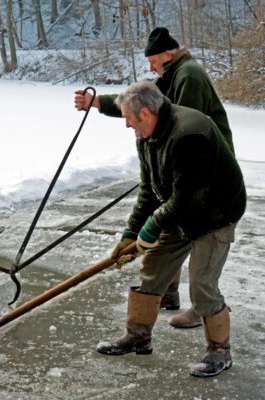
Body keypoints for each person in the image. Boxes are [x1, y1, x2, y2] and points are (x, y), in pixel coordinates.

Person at [75, 26, 235, 329]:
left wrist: (148, 226)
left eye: (152, 60)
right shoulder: (168, 77)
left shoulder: (188, 76)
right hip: (182, 167)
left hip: (207, 174)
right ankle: (164, 297)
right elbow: (140, 102)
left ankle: (206, 312)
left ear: (167, 53)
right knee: (164, 238)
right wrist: (97, 103)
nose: (149, 66)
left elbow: (185, 129)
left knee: (192, 254)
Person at [93, 81, 246, 377]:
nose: (126, 124)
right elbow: (150, 190)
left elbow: (188, 197)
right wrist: (131, 233)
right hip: (180, 208)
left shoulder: (190, 134)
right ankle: (137, 338)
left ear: (147, 113)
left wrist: (151, 227)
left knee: (202, 283)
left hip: (215, 213)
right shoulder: (146, 135)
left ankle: (219, 352)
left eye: (129, 118)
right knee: (153, 266)